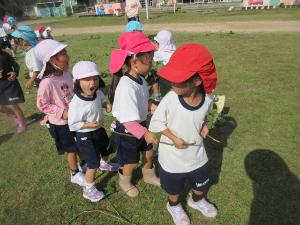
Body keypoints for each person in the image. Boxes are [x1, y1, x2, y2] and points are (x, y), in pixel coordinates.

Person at [149, 43, 218, 225]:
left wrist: (204, 125)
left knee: (201, 183)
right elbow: (157, 122)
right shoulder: (171, 99)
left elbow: (204, 115)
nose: (171, 83)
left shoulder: (207, 99)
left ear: (196, 81)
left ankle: (197, 201)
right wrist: (173, 138)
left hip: (196, 155)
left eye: (177, 79)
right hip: (172, 157)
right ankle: (174, 206)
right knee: (174, 188)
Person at [108, 31, 160, 197]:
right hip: (127, 131)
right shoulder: (126, 87)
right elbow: (128, 121)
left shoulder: (141, 80)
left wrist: (150, 105)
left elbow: (141, 102)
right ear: (135, 61)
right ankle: (125, 182)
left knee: (149, 153)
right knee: (130, 161)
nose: (151, 64)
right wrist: (146, 133)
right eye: (149, 61)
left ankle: (148, 176)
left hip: (141, 124)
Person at [35, 39, 85, 187]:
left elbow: (72, 91)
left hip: (73, 118)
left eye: (65, 53)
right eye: (62, 54)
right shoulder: (47, 82)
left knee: (80, 142)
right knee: (72, 148)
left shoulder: (66, 74)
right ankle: (74, 173)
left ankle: (85, 163)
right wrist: (61, 112)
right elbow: (42, 104)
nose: (67, 56)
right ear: (51, 60)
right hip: (61, 123)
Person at [68, 61, 119, 202]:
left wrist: (106, 104)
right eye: (87, 79)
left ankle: (105, 163)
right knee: (92, 163)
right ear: (77, 82)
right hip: (85, 135)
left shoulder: (97, 93)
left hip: (98, 129)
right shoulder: (76, 103)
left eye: (95, 78)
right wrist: (86, 125)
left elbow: (102, 99)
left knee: (106, 149)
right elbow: (73, 124)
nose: (93, 83)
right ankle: (88, 188)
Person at [0, 42, 26, 133]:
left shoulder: (5, 55)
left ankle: (22, 123)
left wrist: (14, 72)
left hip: (10, 83)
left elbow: (16, 65)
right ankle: (15, 115)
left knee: (14, 104)